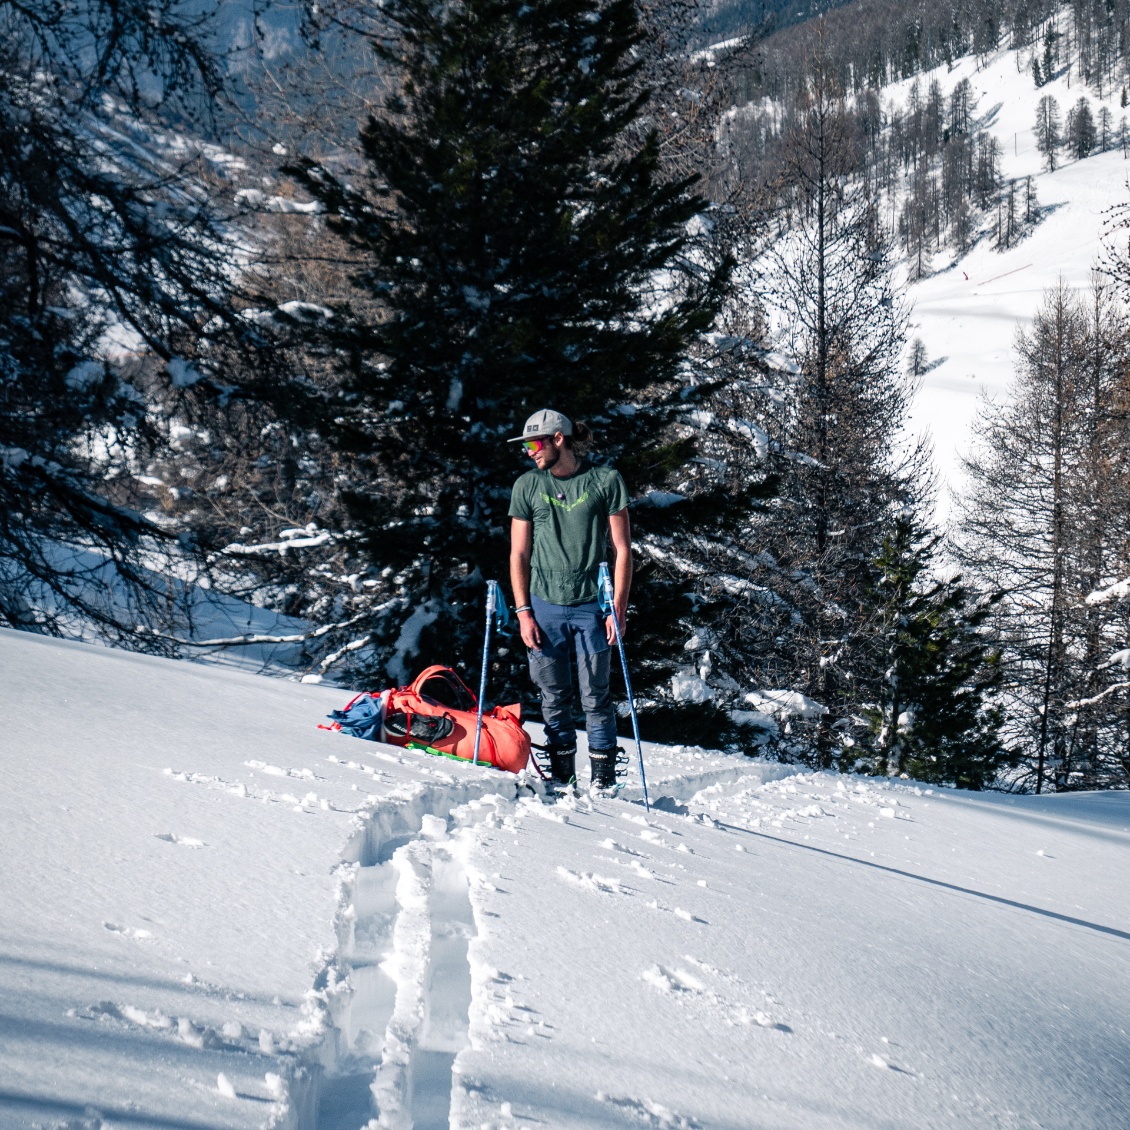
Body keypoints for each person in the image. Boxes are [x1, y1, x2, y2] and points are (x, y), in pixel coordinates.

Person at [508, 409, 632, 790]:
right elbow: (518, 554)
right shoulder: (527, 486)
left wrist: (619, 610)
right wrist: (523, 611)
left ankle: (603, 779)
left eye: (534, 443)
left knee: (595, 694)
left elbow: (623, 549)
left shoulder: (604, 480)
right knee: (552, 694)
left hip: (592, 606)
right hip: (543, 605)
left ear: (558, 439)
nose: (529, 451)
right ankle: (562, 776)